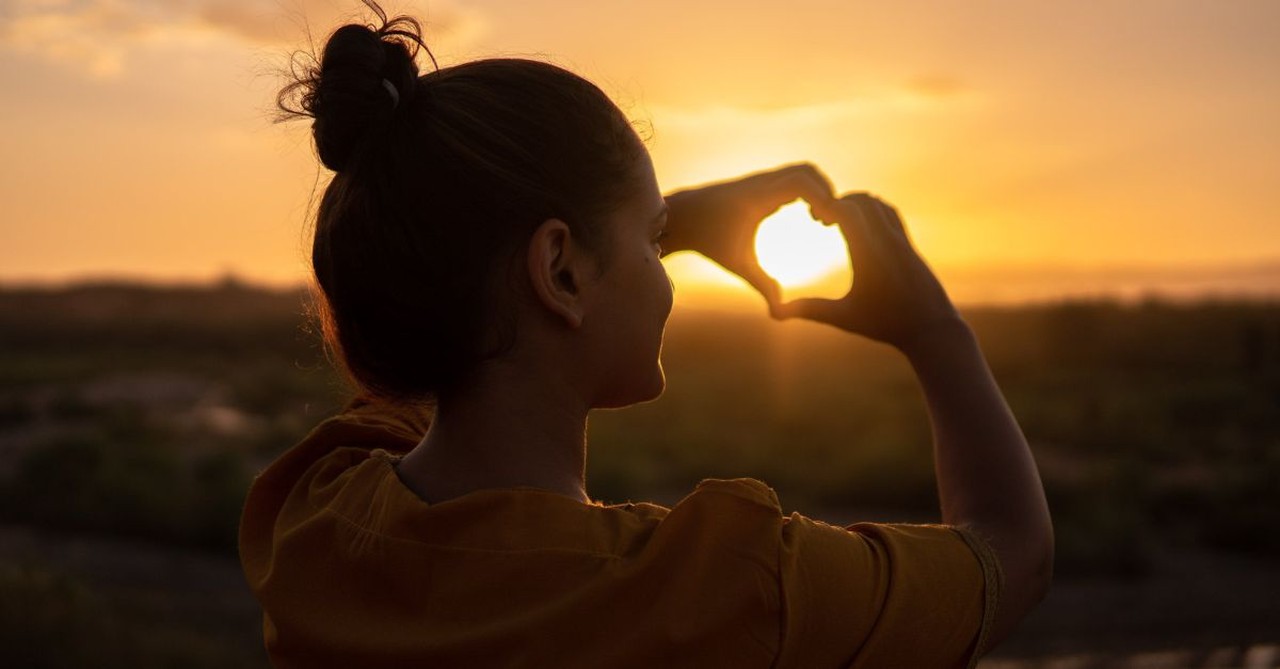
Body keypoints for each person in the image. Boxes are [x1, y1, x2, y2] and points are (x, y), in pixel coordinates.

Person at [239, 2, 1053, 667]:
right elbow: (1009, 552)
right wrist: (936, 331)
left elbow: (447, 315)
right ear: (559, 271)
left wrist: (641, 227)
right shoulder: (723, 591)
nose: (665, 268)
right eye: (654, 239)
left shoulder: (315, 515)